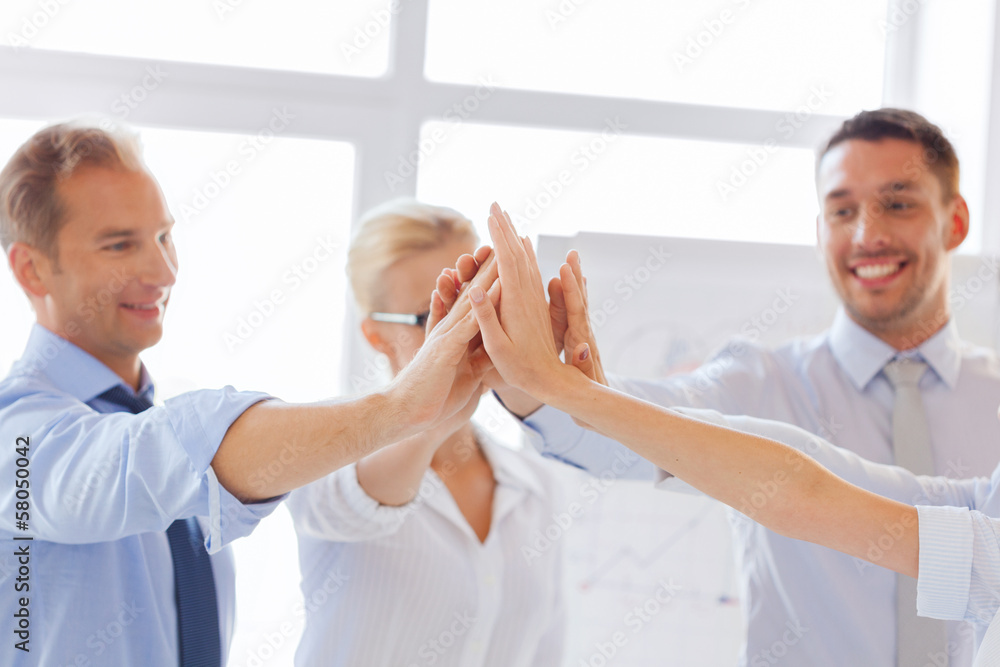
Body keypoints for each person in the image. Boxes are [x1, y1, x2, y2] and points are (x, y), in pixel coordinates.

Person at [454, 110, 1000, 666]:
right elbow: (651, 438)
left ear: (954, 221)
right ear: (820, 232)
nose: (868, 234)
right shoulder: (759, 380)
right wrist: (536, 383)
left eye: (898, 203)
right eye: (843, 211)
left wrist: (570, 391)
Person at [0, 122, 494, 666]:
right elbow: (139, 460)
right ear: (31, 268)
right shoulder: (18, 438)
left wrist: (421, 413)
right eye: (120, 244)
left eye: (164, 237)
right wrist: (399, 407)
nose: (163, 272)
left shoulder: (150, 419)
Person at [286, 200, 567, 666]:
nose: (466, 330)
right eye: (429, 316)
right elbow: (355, 505)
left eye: (478, 303)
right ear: (375, 336)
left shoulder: (538, 488)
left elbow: (547, 653)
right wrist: (435, 412)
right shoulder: (324, 454)